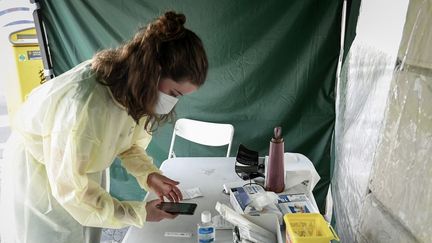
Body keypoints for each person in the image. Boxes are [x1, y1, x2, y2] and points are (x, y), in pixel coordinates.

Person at [0, 11, 208, 243]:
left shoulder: (133, 89)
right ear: (154, 70)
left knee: (90, 230)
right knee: (57, 236)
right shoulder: (84, 105)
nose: (172, 103)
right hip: (40, 176)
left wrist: (148, 175)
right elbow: (73, 192)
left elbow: (127, 143)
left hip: (77, 166)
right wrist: (140, 212)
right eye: (174, 93)